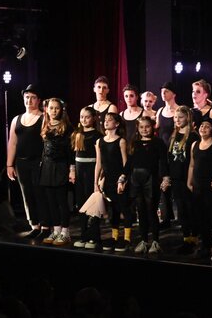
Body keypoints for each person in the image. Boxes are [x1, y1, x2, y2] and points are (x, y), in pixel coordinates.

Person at [6, 84, 45, 238]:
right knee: (27, 194)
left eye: (33, 97)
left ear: (38, 100)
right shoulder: (16, 119)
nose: (29, 100)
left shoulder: (43, 118)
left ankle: (45, 225)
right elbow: (12, 143)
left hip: (38, 162)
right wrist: (9, 164)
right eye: (27, 97)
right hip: (21, 163)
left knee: (40, 193)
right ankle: (34, 225)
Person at [188, 120, 212, 262]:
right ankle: (206, 245)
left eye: (207, 126)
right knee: (201, 217)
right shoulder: (195, 145)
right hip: (198, 186)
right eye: (202, 125)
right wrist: (189, 181)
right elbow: (192, 165)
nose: (203, 128)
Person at [129, 116, 169, 257]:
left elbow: (163, 161)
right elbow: (130, 162)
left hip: (151, 180)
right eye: (141, 127)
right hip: (136, 180)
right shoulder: (135, 143)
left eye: (147, 126)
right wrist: (123, 177)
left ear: (152, 127)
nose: (144, 129)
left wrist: (165, 177)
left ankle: (155, 241)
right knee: (141, 211)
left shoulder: (158, 143)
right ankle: (144, 240)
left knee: (151, 210)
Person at [38, 98, 75, 246]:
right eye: (51, 108)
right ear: (47, 109)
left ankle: (65, 232)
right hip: (47, 167)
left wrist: (71, 169)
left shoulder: (67, 128)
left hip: (61, 167)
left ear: (61, 110)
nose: (54, 111)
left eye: (57, 108)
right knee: (51, 201)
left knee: (61, 201)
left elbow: (71, 151)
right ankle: (56, 230)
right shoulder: (45, 125)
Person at [94, 113, 132, 253]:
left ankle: (127, 238)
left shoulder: (121, 141)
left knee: (124, 208)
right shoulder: (100, 141)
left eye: (110, 120)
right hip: (108, 180)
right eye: (105, 120)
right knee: (113, 209)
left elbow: (125, 163)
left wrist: (123, 180)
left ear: (116, 124)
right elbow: (99, 163)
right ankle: (114, 236)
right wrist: (96, 182)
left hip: (119, 180)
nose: (106, 122)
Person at [167, 106, 199, 254]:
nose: (177, 120)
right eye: (176, 117)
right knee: (181, 210)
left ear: (188, 118)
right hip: (176, 178)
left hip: (188, 178)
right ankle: (186, 239)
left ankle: (195, 238)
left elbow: (194, 161)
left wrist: (191, 179)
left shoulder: (193, 136)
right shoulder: (174, 135)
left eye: (181, 117)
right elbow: (170, 157)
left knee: (191, 208)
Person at [71, 107, 102, 250]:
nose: (84, 119)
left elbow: (99, 159)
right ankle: (83, 235)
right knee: (81, 204)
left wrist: (98, 178)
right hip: (79, 171)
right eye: (81, 116)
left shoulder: (97, 135)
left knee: (92, 205)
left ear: (94, 118)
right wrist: (72, 171)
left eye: (87, 117)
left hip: (91, 171)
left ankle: (93, 237)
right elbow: (74, 155)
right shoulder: (77, 133)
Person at [156, 82, 179, 228]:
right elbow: (157, 128)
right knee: (163, 183)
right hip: (162, 151)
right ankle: (166, 217)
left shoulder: (178, 110)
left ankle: (182, 216)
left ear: (173, 94)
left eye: (166, 91)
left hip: (175, 151)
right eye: (162, 91)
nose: (163, 94)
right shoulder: (160, 111)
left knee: (176, 182)